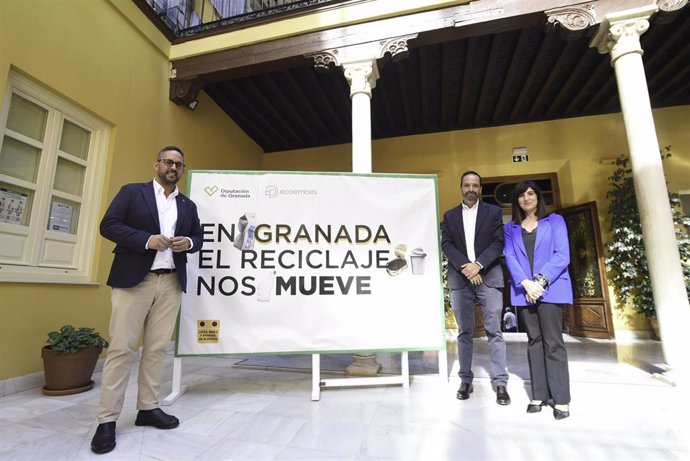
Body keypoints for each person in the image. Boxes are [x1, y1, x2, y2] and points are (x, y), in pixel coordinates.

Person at [90, 146, 204, 454]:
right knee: (121, 349)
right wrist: (146, 240)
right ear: (156, 165)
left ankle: (147, 409)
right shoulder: (132, 193)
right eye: (168, 162)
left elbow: (199, 237)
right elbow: (108, 225)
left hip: (170, 282)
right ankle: (107, 420)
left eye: (179, 164)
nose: (173, 167)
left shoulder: (188, 205)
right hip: (133, 281)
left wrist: (188, 242)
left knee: (155, 349)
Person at [503, 180, 573, 420]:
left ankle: (561, 398)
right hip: (525, 292)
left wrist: (540, 282)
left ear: (538, 197)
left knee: (553, 342)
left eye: (530, 193)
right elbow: (509, 257)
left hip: (551, 289)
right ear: (517, 201)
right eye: (521, 195)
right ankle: (539, 394)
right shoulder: (510, 228)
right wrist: (526, 284)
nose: (526, 198)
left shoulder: (555, 221)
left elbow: (562, 255)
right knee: (534, 341)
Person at [441, 171, 510, 405]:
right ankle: (465, 380)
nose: (471, 189)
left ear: (480, 188)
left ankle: (500, 382)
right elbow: (447, 245)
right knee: (464, 333)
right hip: (461, 280)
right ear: (461, 187)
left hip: (488, 277)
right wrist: (466, 268)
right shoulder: (449, 216)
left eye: (475, 185)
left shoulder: (493, 212)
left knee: (494, 331)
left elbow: (498, 242)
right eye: (467, 185)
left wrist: (478, 265)